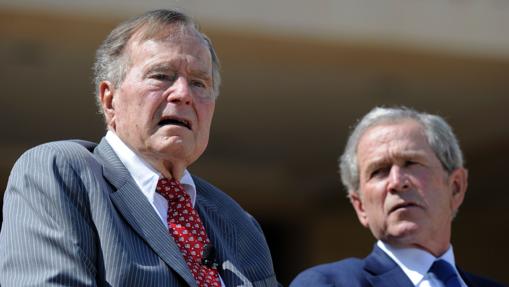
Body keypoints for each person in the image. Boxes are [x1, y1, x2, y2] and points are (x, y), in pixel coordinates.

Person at [0, 9, 279, 287]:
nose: (183, 94)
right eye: (161, 76)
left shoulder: (237, 222)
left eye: (198, 83)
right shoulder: (61, 173)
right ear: (110, 100)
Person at [290, 107, 505, 287]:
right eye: (378, 171)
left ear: (455, 187)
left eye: (411, 163)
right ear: (360, 206)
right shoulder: (329, 284)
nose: (396, 181)